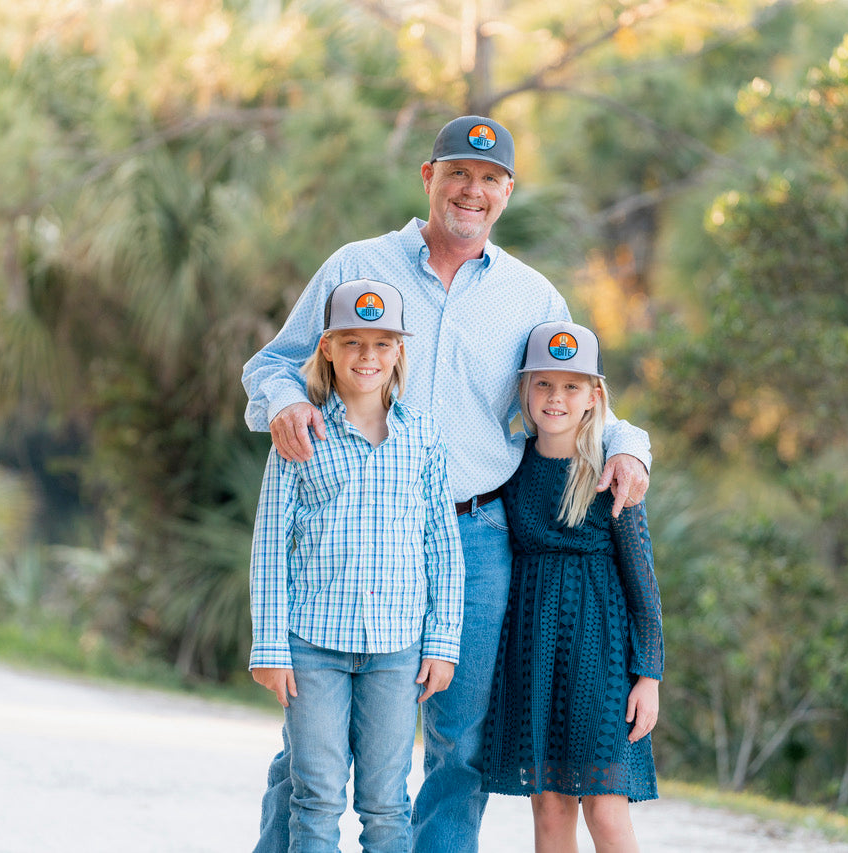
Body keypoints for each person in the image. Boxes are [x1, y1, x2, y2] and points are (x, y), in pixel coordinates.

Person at [242, 115, 652, 853]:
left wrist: (632, 449)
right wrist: (288, 400)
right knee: (318, 740)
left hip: (475, 535)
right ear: (430, 177)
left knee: (460, 737)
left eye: (490, 179)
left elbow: (580, 396)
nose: (473, 189)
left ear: (507, 193)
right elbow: (271, 364)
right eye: (459, 172)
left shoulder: (531, 296)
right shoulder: (356, 266)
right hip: (358, 529)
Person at [247, 278, 465, 852]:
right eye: (352, 342)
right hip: (312, 644)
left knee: (387, 804)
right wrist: (270, 648)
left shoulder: (423, 438)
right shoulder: (300, 435)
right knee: (315, 797)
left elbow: (442, 545)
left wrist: (442, 642)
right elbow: (270, 545)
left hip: (397, 650)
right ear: (326, 348)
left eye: (382, 344)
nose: (367, 357)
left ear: (399, 352)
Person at [482, 320, 664, 852]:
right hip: (533, 654)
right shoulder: (508, 466)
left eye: (571, 386)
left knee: (605, 810)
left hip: (601, 659)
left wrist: (648, 674)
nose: (555, 398)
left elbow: (643, 583)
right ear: (524, 390)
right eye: (543, 384)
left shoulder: (613, 474)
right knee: (549, 806)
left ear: (594, 396)